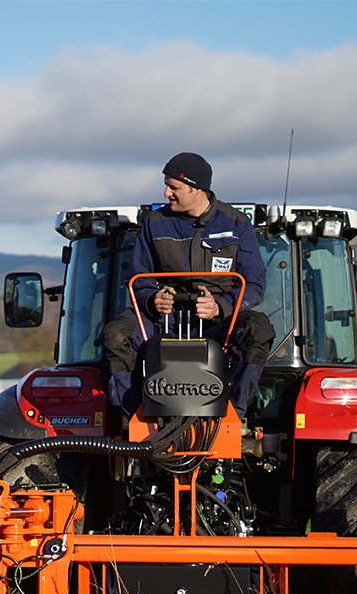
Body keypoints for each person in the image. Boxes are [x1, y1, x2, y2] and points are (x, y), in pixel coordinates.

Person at [102, 152, 273, 421]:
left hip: (218, 324)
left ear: (197, 189)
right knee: (116, 335)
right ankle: (136, 417)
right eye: (167, 185)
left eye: (174, 187)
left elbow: (254, 283)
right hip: (163, 322)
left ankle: (231, 414)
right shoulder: (155, 223)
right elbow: (140, 277)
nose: (166, 193)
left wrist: (221, 306)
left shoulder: (236, 223)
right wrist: (151, 299)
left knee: (258, 329)